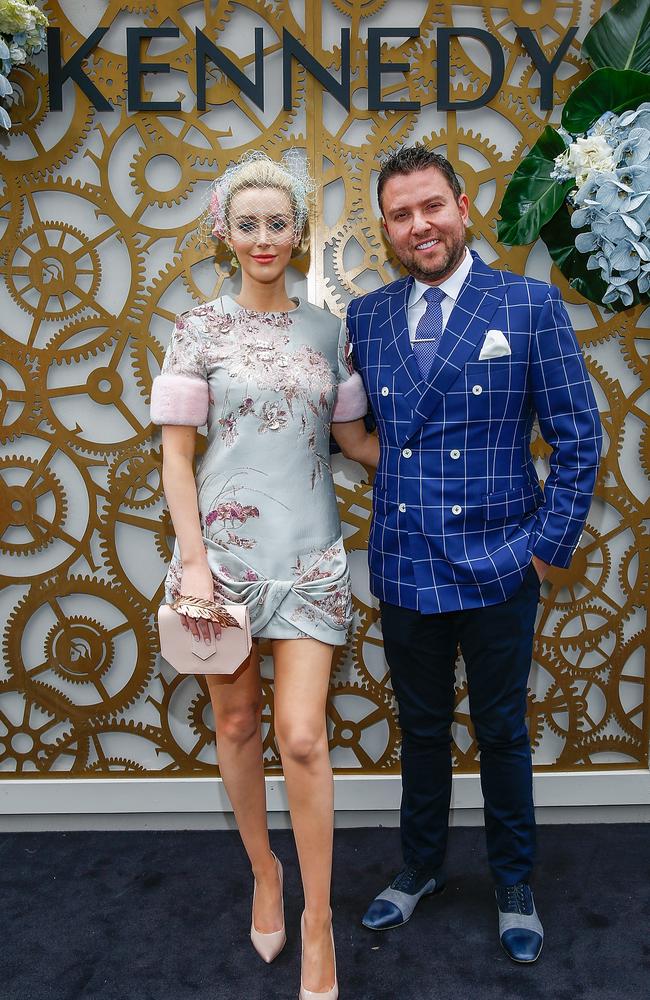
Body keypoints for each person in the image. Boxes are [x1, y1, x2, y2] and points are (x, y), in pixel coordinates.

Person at [347, 145, 602, 963]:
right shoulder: (369, 316)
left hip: (502, 563)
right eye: (400, 215)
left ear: (462, 207)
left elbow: (577, 439)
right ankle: (419, 868)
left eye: (431, 207)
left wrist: (542, 551)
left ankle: (514, 881)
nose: (418, 226)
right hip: (405, 562)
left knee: (502, 732)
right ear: (385, 229)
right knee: (419, 732)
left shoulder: (528, 306)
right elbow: (363, 433)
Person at [150, 151, 378, 999]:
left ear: (299, 231)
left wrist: (449, 472)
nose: (263, 238)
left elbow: (353, 443)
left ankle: (318, 921)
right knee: (239, 727)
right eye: (246, 224)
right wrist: (196, 566)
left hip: (312, 555)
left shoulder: (329, 331)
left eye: (277, 222)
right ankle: (264, 872)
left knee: (304, 737)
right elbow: (178, 461)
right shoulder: (196, 329)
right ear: (224, 232)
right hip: (225, 563)